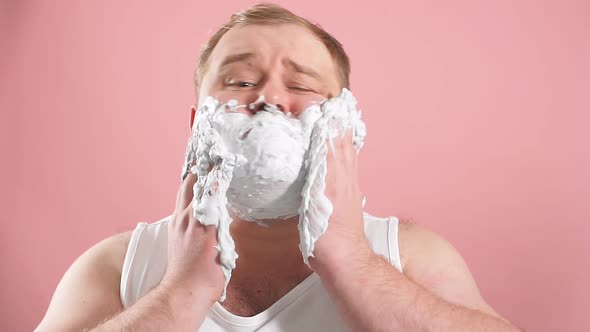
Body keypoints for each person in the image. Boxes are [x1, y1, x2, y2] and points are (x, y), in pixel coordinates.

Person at [36, 3, 522, 331]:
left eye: (304, 86)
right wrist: (178, 295)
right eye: (240, 80)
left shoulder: (410, 258)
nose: (268, 98)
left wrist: (353, 264)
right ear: (196, 125)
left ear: (345, 126)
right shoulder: (120, 268)